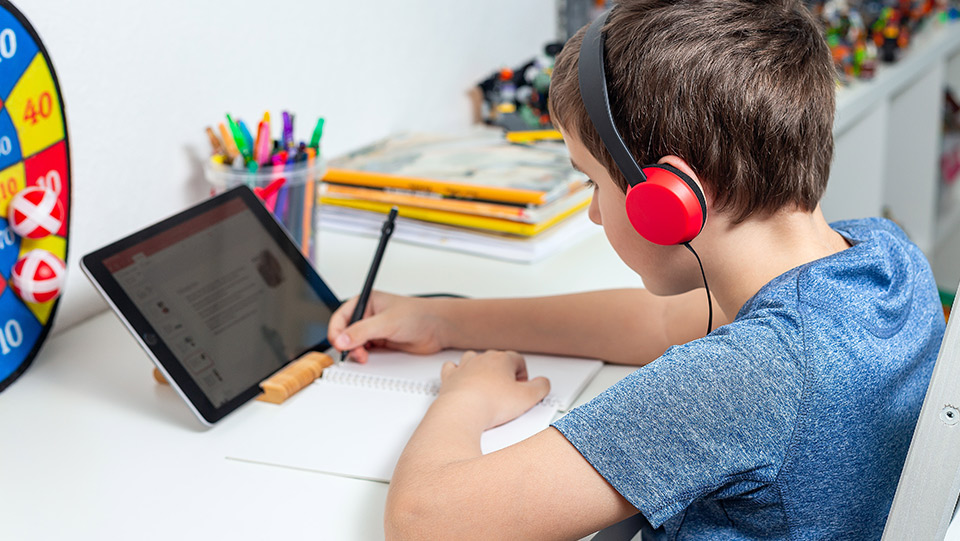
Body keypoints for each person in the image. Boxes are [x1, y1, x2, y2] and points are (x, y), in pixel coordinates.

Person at [327, 0, 946, 538]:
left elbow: (426, 524)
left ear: (667, 199)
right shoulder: (882, 257)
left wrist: (467, 398)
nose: (595, 213)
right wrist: (442, 318)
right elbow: (656, 323)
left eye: (593, 183)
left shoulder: (751, 378)